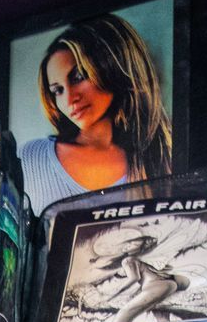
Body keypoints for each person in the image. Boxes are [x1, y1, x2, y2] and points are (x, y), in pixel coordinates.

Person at [19, 16, 171, 219]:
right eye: (58, 90)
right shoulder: (31, 159)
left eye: (79, 77)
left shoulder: (158, 156)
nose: (70, 99)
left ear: (112, 67)